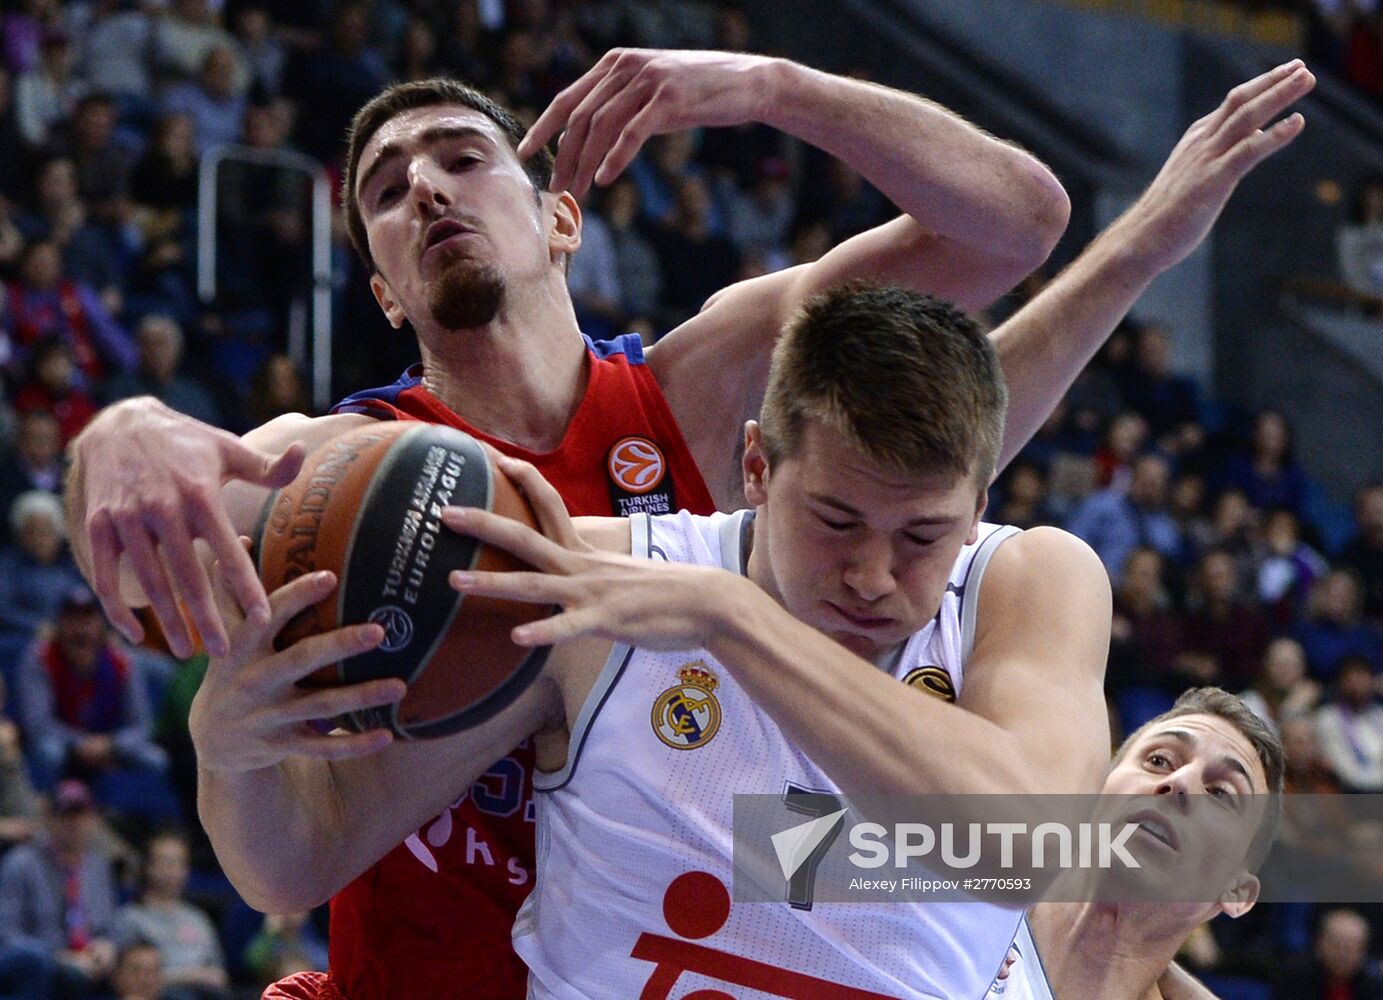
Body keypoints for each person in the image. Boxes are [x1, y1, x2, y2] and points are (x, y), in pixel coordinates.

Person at [69, 56, 1312, 1000]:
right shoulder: (364, 477)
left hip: (683, 866)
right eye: (388, 192)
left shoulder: (695, 388)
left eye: (461, 156)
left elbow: (997, 265)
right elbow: (151, 534)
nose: (429, 190)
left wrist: (770, 87)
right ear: (382, 288)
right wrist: (117, 428)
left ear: (563, 214)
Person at [196, 284, 1116, 999]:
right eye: (835, 520)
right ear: (756, 468)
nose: (872, 573)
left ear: (977, 508)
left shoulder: (1028, 579)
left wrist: (732, 618)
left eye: (920, 536)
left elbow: (1025, 850)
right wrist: (230, 750)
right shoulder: (590, 581)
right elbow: (296, 864)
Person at [987, 687, 1285, 1000]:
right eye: (1159, 760)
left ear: (1236, 892)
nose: (1181, 782)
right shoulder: (958, 907)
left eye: (1221, 794)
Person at [113, 829, 232, 999]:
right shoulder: (130, 918)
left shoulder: (198, 919)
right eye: (165, 862)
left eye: (179, 863)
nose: (172, 870)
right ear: (148, 867)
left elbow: (218, 973)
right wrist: (192, 976)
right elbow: (130, 978)